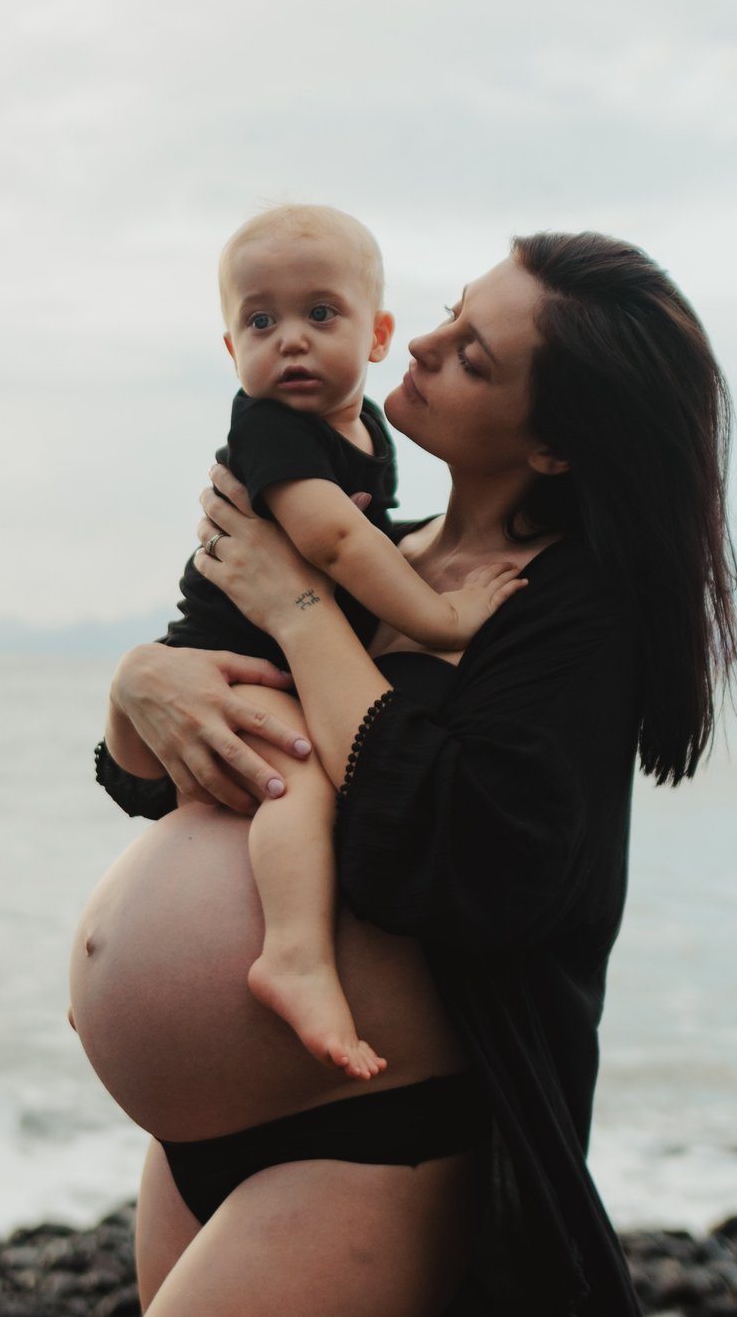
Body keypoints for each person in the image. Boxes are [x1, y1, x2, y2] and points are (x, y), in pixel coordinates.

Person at [70, 231, 737, 1316]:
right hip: (198, 1136)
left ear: (559, 444)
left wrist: (295, 605)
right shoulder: (381, 548)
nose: (419, 345)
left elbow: (463, 854)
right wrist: (136, 687)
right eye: (449, 311)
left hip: (365, 1137)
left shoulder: (566, 615)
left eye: (474, 354)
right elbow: (171, 780)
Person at [156, 204, 529, 1082]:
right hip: (237, 659)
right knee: (296, 786)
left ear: (376, 334)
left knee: (269, 787)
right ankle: (291, 953)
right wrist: (443, 617)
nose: (289, 340)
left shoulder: (367, 435)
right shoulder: (271, 429)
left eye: (320, 313)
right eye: (260, 320)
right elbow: (334, 543)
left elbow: (368, 535)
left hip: (280, 664)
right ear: (230, 350)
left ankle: (207, 951)